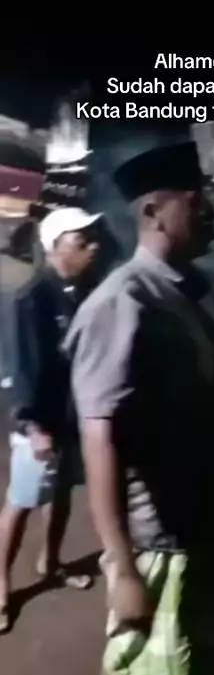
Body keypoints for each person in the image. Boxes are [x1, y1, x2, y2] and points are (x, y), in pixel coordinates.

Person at [64, 142, 214, 675]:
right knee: (134, 635)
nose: (213, 213)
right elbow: (100, 436)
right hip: (157, 524)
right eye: (199, 202)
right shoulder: (125, 302)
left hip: (203, 508)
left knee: (196, 621)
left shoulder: (184, 290)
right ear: (154, 212)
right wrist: (121, 566)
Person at [0, 206, 103, 632]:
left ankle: (51, 563)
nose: (93, 247)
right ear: (56, 247)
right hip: (39, 423)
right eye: (82, 241)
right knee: (21, 502)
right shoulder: (31, 298)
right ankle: (1, 588)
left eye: (92, 239)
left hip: (72, 416)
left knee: (60, 495)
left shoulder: (83, 291)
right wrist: (31, 425)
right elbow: (17, 367)